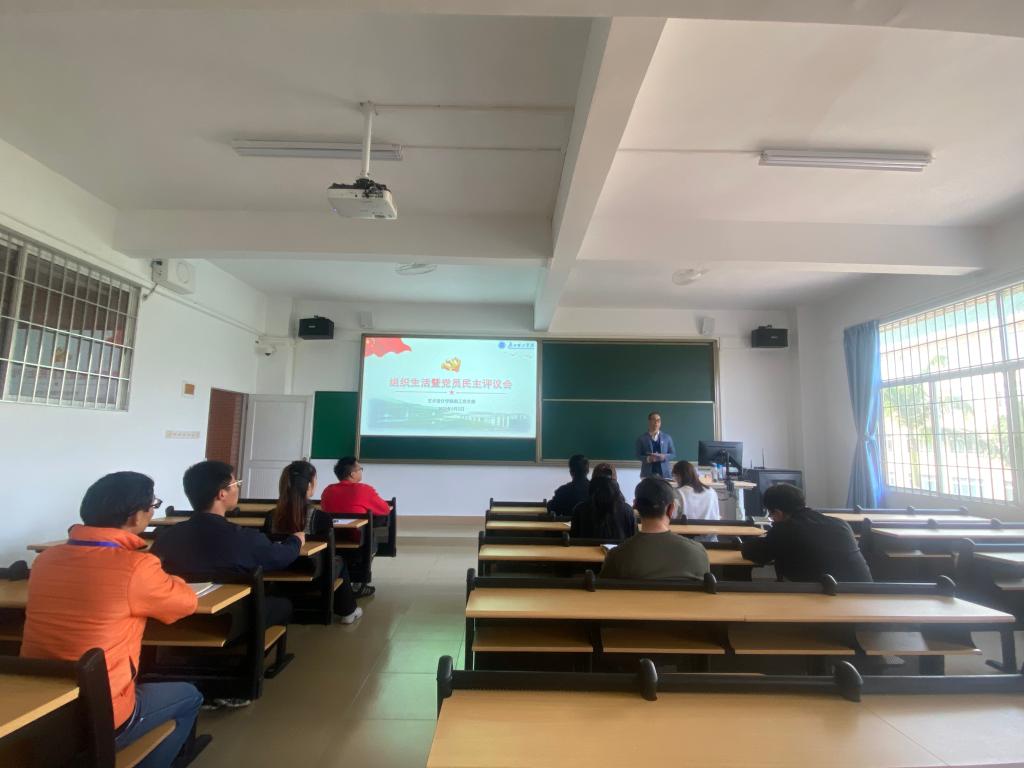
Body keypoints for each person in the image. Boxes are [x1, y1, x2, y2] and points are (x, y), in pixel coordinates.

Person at [21, 472, 201, 768]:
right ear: (136, 516)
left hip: (41, 709)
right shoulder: (137, 566)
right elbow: (187, 603)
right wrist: (165, 576)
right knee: (189, 696)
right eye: (152, 505)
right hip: (102, 712)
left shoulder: (45, 559)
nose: (152, 512)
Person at [150, 460, 300, 631]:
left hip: (173, 621)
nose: (238, 488)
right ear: (222, 494)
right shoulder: (244, 538)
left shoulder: (166, 537)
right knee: (284, 605)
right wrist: (295, 541)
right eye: (236, 484)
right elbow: (280, 557)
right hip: (230, 620)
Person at [270, 460, 364, 623]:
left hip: (277, 577)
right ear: (309, 486)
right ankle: (348, 611)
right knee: (339, 561)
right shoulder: (321, 518)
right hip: (314, 578)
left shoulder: (271, 517)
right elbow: (329, 554)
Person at [741, 483, 873, 582]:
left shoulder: (784, 530)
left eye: (771, 515)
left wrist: (746, 543)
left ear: (778, 513)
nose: (772, 519)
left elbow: (753, 552)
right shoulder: (841, 524)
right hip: (863, 595)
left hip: (820, 600)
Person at [600, 478, 709, 580]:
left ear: (635, 506)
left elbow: (604, 589)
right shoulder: (698, 552)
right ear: (671, 509)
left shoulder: (616, 556)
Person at [570, 475, 637, 540]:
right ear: (616, 491)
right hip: (622, 547)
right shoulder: (628, 510)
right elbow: (633, 537)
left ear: (590, 490)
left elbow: (573, 538)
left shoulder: (579, 509)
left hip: (583, 547)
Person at [635, 412, 676, 479]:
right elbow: (638, 455)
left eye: (658, 420)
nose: (656, 422)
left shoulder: (667, 437)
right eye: (654, 420)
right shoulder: (641, 438)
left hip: (665, 474)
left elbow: (673, 454)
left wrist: (664, 457)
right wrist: (648, 459)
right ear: (649, 421)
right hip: (647, 474)